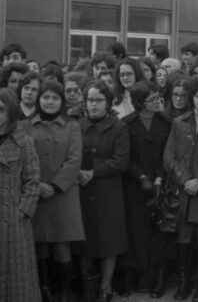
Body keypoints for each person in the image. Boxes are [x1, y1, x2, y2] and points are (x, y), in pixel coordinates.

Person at [162, 75, 198, 301]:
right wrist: (184, 179)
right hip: (183, 190)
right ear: (192, 98)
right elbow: (169, 157)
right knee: (183, 237)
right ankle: (184, 282)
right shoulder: (180, 122)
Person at [28, 80, 85, 302]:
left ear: (61, 101)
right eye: (45, 97)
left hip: (64, 195)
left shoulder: (72, 126)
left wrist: (54, 185)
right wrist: (38, 185)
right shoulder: (26, 125)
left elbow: (74, 159)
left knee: (62, 249)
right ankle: (44, 291)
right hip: (36, 193)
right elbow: (24, 159)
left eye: (54, 98)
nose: (49, 102)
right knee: (40, 247)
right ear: (39, 99)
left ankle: (65, 293)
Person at [78, 79, 130, 302]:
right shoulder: (77, 125)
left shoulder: (118, 127)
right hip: (81, 189)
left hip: (107, 191)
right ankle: (86, 286)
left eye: (98, 100)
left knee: (109, 241)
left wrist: (93, 171)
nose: (93, 105)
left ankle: (105, 287)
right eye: (90, 100)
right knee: (84, 240)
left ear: (108, 103)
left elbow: (121, 161)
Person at [120, 81, 172, 298]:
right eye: (152, 99)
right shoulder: (126, 124)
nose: (157, 102)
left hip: (160, 184)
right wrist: (140, 176)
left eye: (158, 97)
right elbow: (126, 157)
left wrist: (159, 177)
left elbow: (167, 153)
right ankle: (137, 274)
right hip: (135, 185)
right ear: (140, 102)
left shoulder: (165, 122)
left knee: (158, 232)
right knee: (137, 230)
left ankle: (157, 277)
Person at [0, 88, 41, 302]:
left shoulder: (24, 143)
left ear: (12, 113)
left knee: (18, 279)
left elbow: (32, 180)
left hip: (14, 221)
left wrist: (23, 211)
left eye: (1, 110)